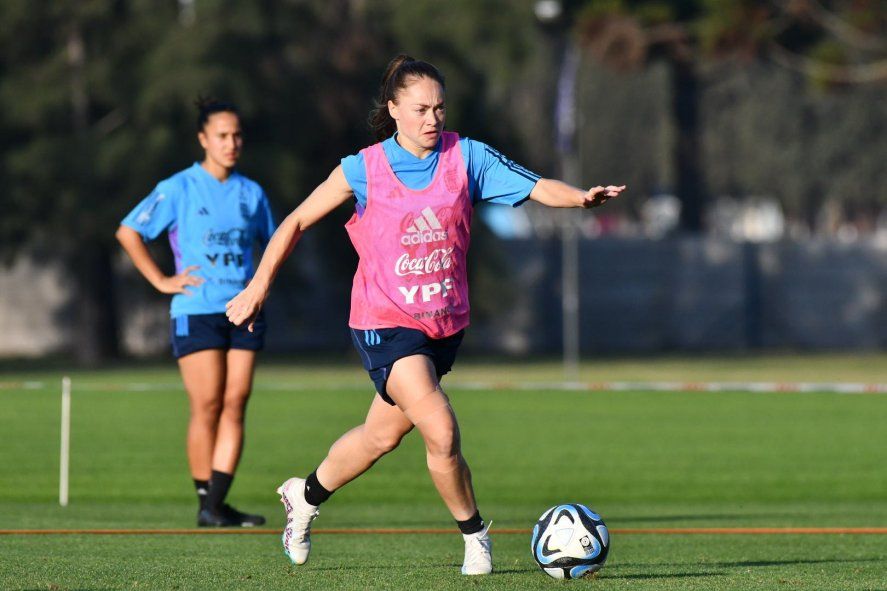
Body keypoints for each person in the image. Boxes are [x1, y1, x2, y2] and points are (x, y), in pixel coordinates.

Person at [225, 55, 624, 573]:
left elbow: (535, 184)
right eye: (420, 109)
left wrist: (581, 200)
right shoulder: (362, 169)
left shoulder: (467, 156)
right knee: (441, 430)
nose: (433, 119)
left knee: (380, 437)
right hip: (383, 322)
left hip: (441, 326)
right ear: (393, 110)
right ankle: (476, 536)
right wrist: (259, 286)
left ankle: (304, 497)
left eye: (439, 108)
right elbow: (297, 220)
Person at [116, 98, 276, 527]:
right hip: (196, 309)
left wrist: (260, 288)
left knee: (236, 402)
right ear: (204, 139)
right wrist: (161, 280)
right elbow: (128, 231)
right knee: (207, 403)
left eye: (237, 135)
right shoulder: (179, 187)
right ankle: (207, 501)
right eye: (222, 136)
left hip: (242, 309)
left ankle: (215, 506)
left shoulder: (251, 193)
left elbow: (275, 245)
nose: (231, 143)